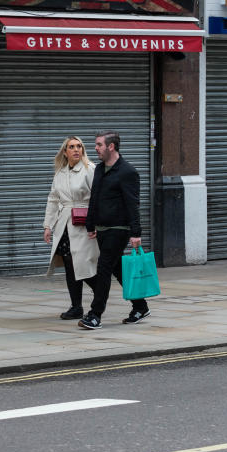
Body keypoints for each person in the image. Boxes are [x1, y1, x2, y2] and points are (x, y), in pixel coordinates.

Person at [79, 131, 150, 330]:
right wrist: (90, 224)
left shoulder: (127, 172)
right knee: (118, 269)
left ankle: (95, 315)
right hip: (102, 228)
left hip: (119, 228)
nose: (95, 148)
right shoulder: (100, 169)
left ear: (111, 147)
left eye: (99, 145)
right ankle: (140, 306)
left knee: (103, 269)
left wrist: (136, 233)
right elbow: (95, 198)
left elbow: (132, 204)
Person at [43, 137, 99, 320]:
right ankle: (76, 307)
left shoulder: (90, 169)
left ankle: (100, 298)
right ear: (65, 152)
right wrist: (48, 226)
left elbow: (99, 198)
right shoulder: (60, 172)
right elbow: (53, 199)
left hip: (85, 223)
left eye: (79, 146)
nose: (76, 150)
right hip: (65, 224)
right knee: (70, 267)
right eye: (72, 147)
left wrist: (97, 222)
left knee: (84, 265)